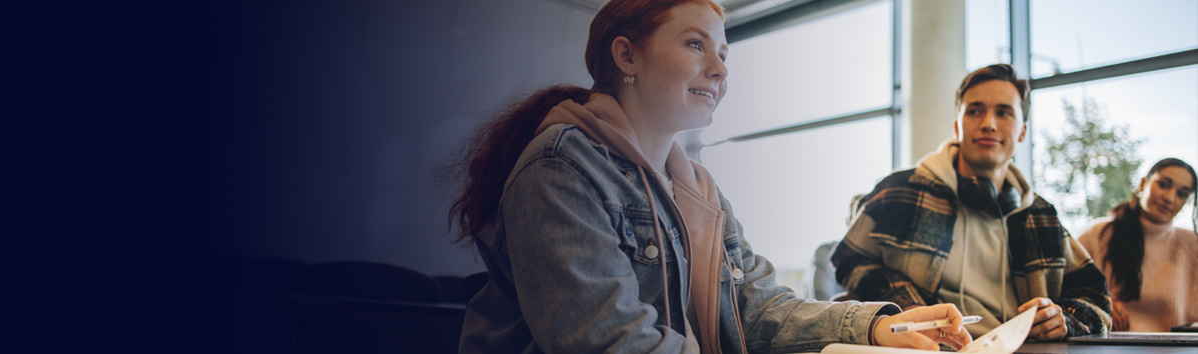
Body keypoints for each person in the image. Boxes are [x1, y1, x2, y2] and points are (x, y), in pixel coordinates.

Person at [448, 0, 973, 353]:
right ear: (627, 55)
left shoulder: (699, 190)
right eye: (696, 45)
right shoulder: (560, 168)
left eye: (723, 53)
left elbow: (757, 306)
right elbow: (610, 341)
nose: (721, 69)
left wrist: (881, 327)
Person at [831, 64, 1112, 340]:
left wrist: (1064, 320)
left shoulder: (1040, 215)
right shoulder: (899, 190)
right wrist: (908, 303)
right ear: (957, 126)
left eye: (1003, 112)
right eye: (975, 111)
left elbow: (1098, 300)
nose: (988, 123)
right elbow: (848, 260)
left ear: (1023, 131)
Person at [1077, 158, 1198, 332]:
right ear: (1143, 183)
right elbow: (1063, 295)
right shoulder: (1097, 236)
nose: (1170, 198)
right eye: (1163, 184)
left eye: (1182, 194)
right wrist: (1097, 306)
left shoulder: (1192, 246)